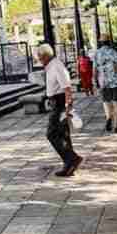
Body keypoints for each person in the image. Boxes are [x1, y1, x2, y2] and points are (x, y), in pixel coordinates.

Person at [35, 44, 82, 177]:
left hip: (60, 104)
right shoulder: (50, 66)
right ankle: (69, 165)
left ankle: (72, 158)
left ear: (45, 56)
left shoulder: (56, 66)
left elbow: (67, 88)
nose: (38, 60)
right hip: (55, 102)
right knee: (63, 135)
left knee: (52, 134)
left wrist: (68, 106)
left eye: (39, 57)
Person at [94, 37, 117, 133]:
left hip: (103, 82)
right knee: (115, 103)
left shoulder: (97, 53)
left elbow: (95, 70)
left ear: (100, 43)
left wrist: (95, 81)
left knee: (106, 102)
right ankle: (116, 126)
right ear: (109, 42)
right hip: (115, 81)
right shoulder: (115, 52)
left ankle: (108, 118)